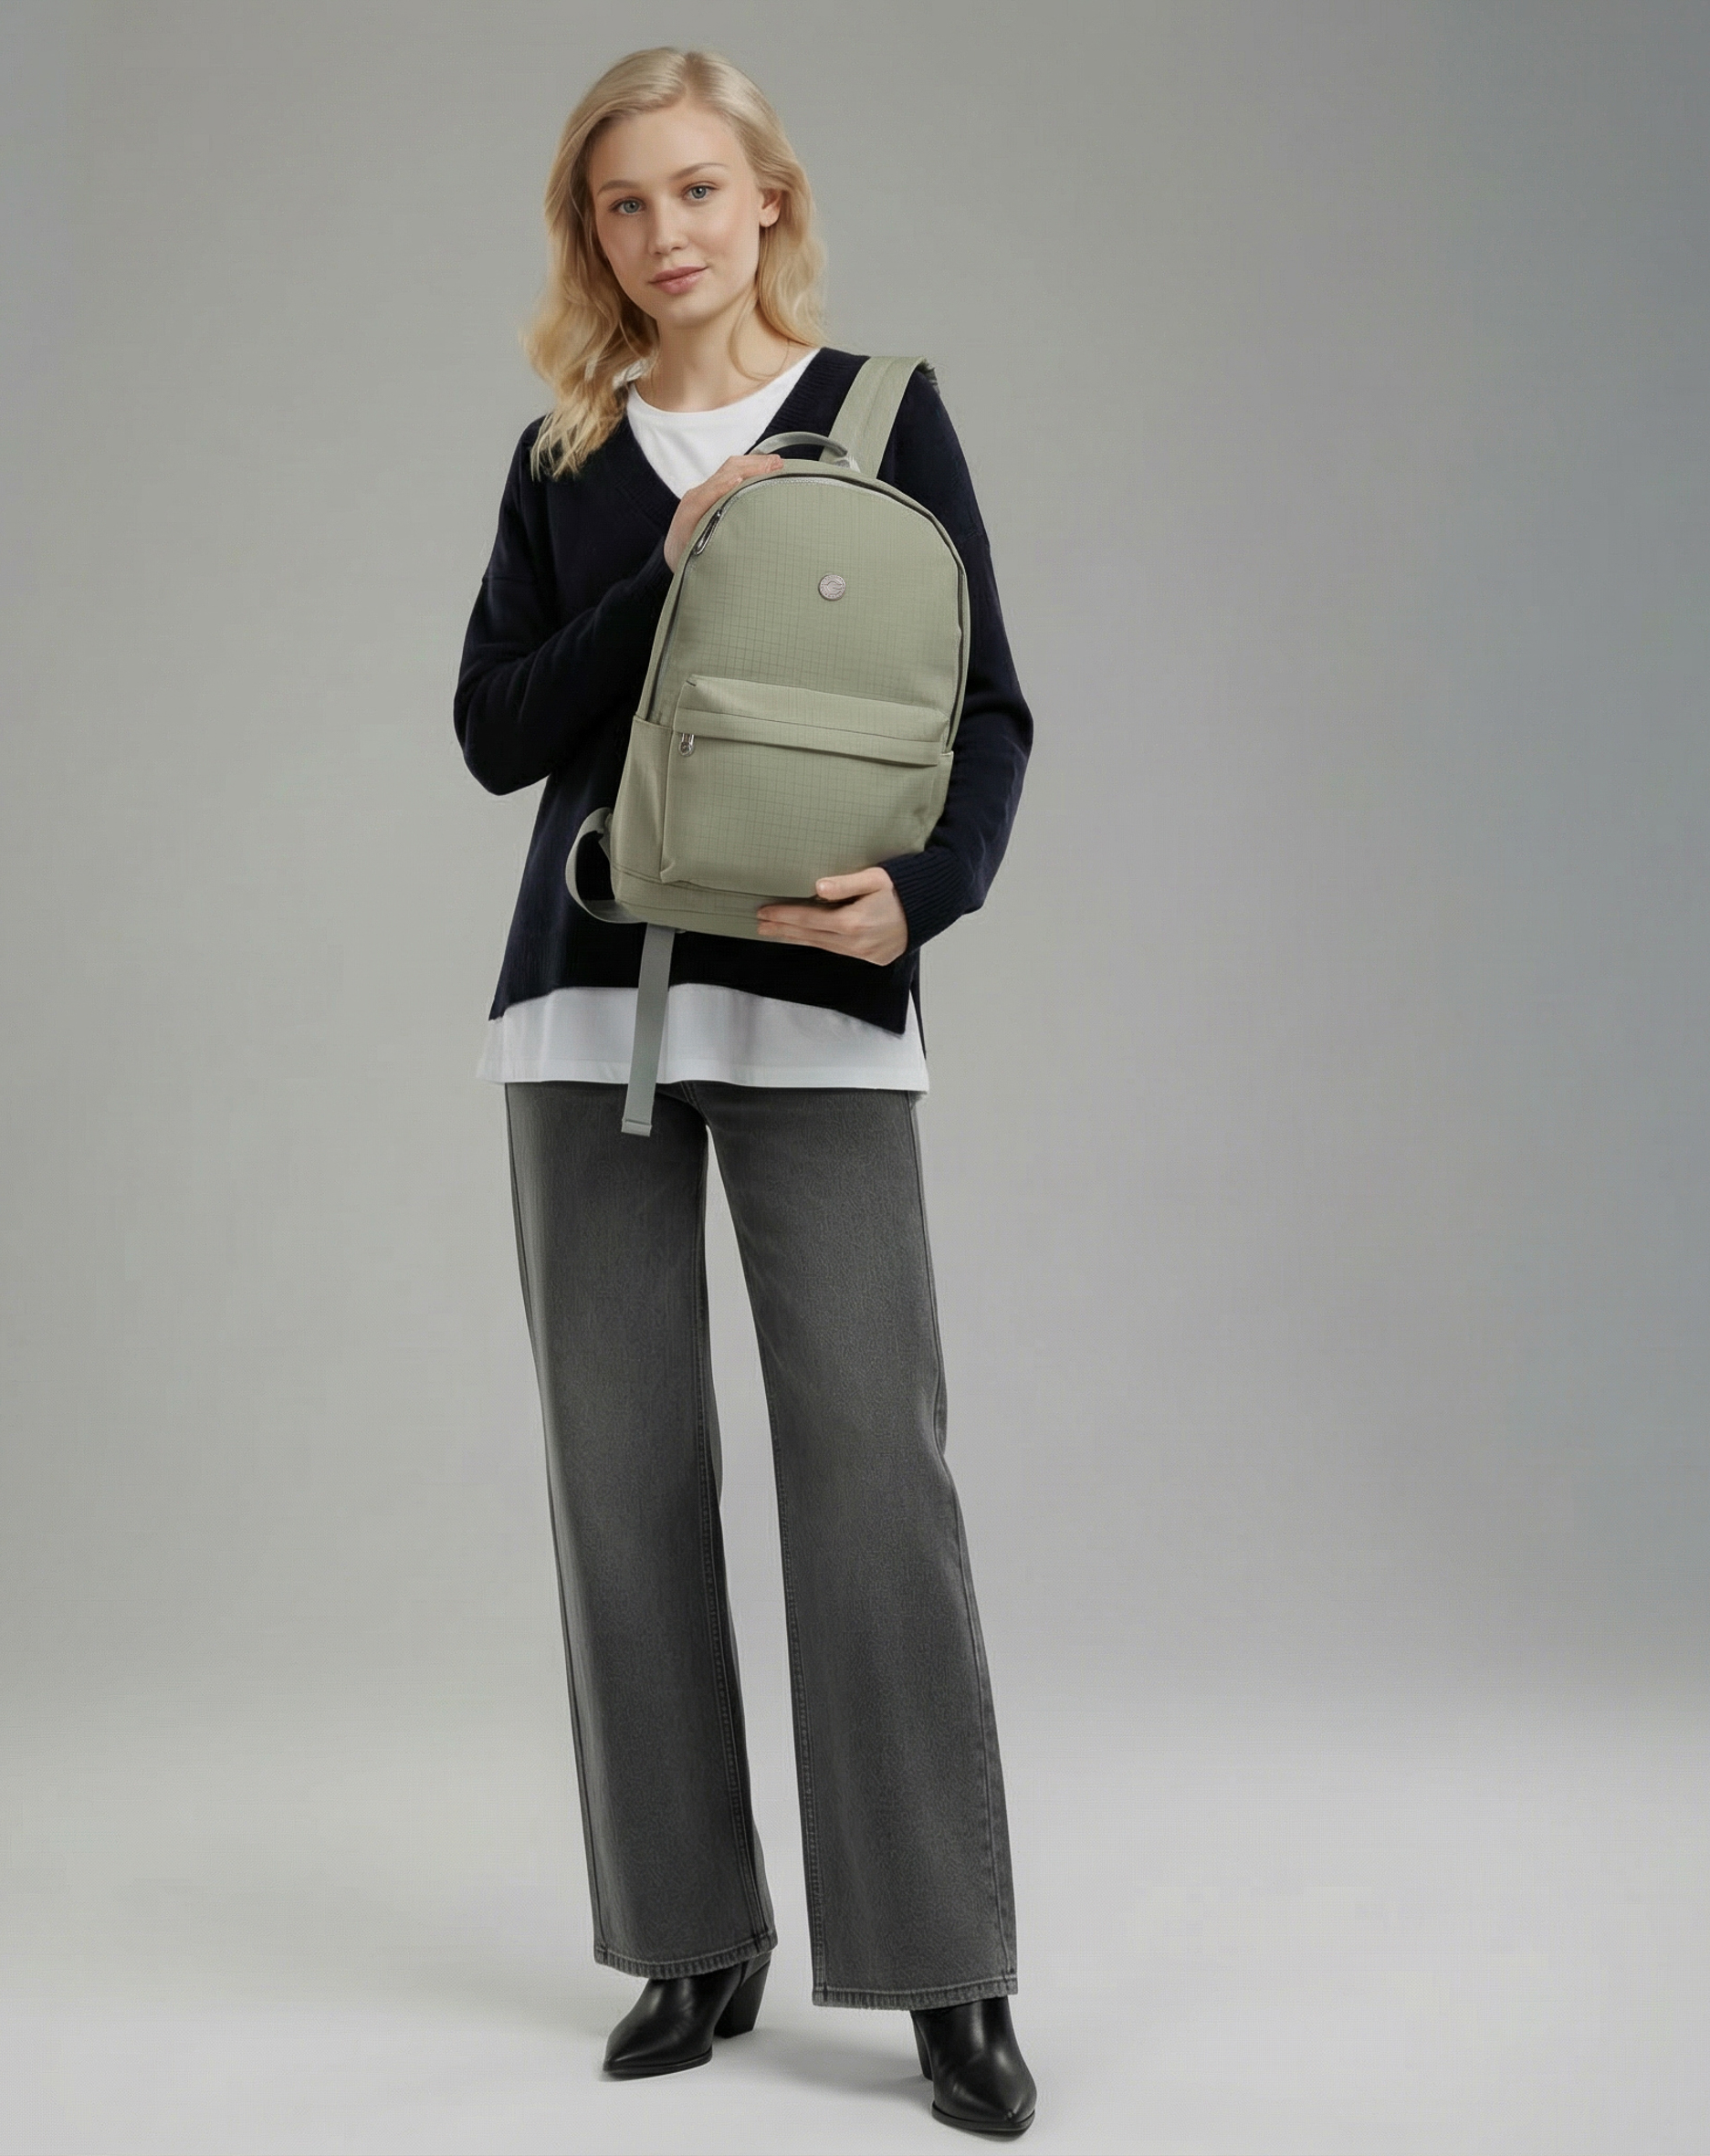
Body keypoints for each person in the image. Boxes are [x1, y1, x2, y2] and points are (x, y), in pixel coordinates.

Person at [453, 46, 1038, 2139]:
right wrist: (664, 561)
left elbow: (985, 707)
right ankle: (689, 1935)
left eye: (696, 189)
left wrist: (925, 898)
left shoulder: (882, 415)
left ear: (767, 196)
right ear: (590, 231)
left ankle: (945, 1965)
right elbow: (494, 731)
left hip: (812, 999)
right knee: (618, 1485)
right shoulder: (563, 455)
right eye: (622, 203)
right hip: (580, 1015)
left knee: (873, 1476)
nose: (664, 232)